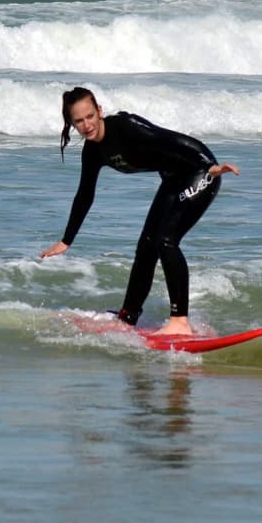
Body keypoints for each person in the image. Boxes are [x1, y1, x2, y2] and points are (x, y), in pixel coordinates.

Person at [38, 87, 238, 336]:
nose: (86, 124)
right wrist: (66, 240)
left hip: (201, 171)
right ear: (72, 124)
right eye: (79, 121)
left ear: (99, 111)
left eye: (90, 116)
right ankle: (128, 317)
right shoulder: (92, 152)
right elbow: (85, 195)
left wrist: (211, 167)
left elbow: (173, 141)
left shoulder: (125, 126)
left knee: (166, 241)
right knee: (147, 245)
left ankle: (180, 322)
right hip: (174, 179)